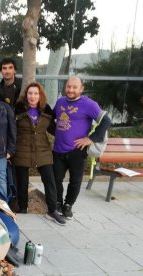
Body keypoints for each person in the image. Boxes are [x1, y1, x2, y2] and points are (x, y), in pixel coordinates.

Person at [53, 76, 111, 219]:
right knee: (55, 179)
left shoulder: (89, 104)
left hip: (77, 151)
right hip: (58, 149)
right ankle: (58, 203)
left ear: (81, 89)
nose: (70, 90)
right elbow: (51, 118)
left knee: (75, 181)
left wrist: (90, 139)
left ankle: (68, 205)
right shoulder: (60, 101)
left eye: (74, 87)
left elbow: (106, 121)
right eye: (68, 86)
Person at [13, 82, 66, 225]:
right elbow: (11, 131)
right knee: (22, 183)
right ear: (26, 95)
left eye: (36, 93)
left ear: (40, 95)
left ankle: (52, 210)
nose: (32, 96)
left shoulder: (46, 110)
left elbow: (55, 130)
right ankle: (23, 208)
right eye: (30, 93)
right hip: (22, 150)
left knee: (50, 180)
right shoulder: (17, 109)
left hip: (43, 150)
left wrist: (71, 133)